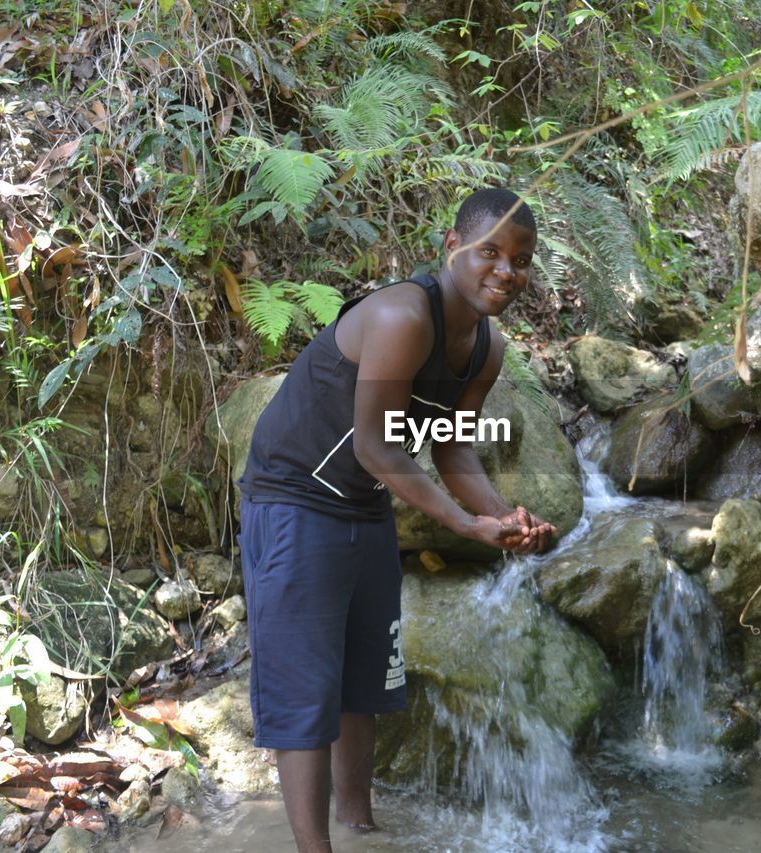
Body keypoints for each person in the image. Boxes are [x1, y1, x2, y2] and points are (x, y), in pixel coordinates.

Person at [236, 187, 556, 852]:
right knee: (305, 688)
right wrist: (462, 527)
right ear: (451, 245)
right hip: (295, 495)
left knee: (364, 677)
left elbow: (451, 447)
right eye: (489, 251)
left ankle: (359, 827)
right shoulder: (403, 316)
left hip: (362, 501)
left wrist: (506, 517)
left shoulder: (485, 347)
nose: (506, 270)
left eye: (520, 260)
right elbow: (375, 446)